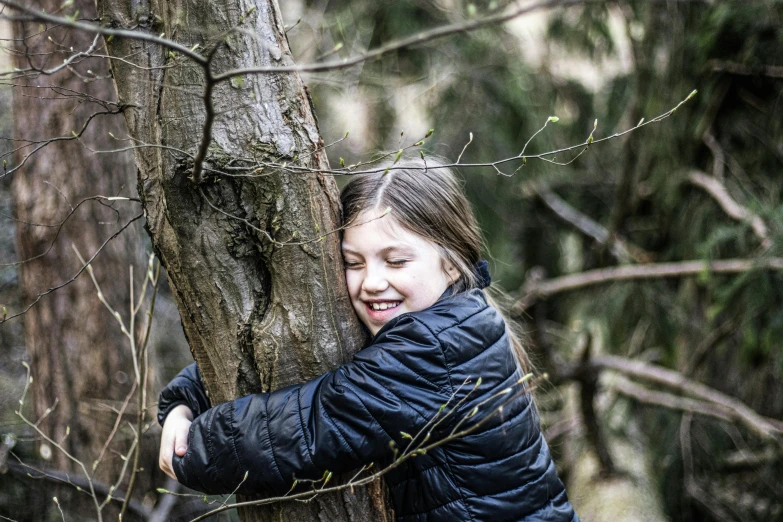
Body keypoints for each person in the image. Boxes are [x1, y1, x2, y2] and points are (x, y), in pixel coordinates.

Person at [157, 159, 579, 521]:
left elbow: (309, 424)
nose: (373, 283)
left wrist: (191, 448)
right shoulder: (432, 320)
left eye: (395, 261)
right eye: (352, 262)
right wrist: (184, 399)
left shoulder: (437, 345)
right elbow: (259, 367)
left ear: (452, 265)